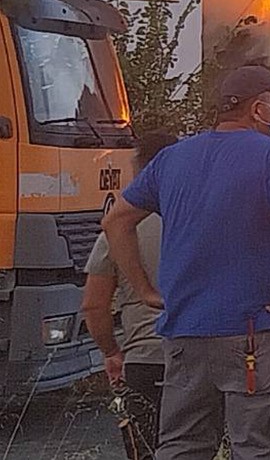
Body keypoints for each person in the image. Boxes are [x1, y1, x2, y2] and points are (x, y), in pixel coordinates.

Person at [104, 66, 270, 460]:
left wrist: (143, 290)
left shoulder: (171, 158)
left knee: (182, 446)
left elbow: (116, 220)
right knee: (260, 448)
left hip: (184, 334)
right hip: (253, 332)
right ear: (259, 110)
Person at [84, 130, 179, 460]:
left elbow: (94, 304)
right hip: (197, 355)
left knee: (147, 450)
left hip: (143, 359)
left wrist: (111, 352)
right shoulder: (197, 218)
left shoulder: (118, 227)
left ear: (139, 171)